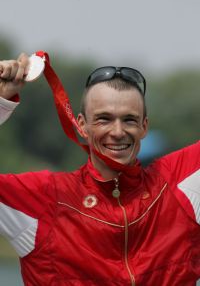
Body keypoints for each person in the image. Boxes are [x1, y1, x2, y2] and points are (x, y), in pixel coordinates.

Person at [0, 53, 199, 286]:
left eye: (129, 120)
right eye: (104, 119)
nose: (117, 131)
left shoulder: (177, 181)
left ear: (144, 126)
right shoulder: (44, 198)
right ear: (82, 125)